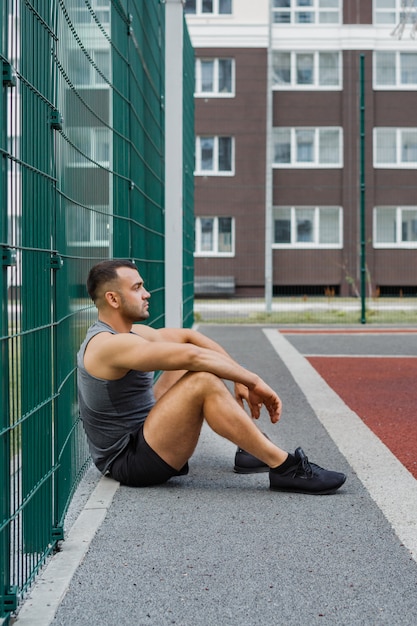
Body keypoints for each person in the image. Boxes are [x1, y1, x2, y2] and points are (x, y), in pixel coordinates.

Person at [77, 259, 346, 495]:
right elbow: (193, 356)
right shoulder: (107, 345)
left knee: (189, 367)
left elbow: (188, 338)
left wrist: (238, 378)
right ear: (113, 299)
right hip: (129, 461)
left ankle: (253, 448)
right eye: (137, 288)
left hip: (144, 433)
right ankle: (286, 467)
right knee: (202, 380)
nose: (146, 294)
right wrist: (253, 380)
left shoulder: (132, 333)